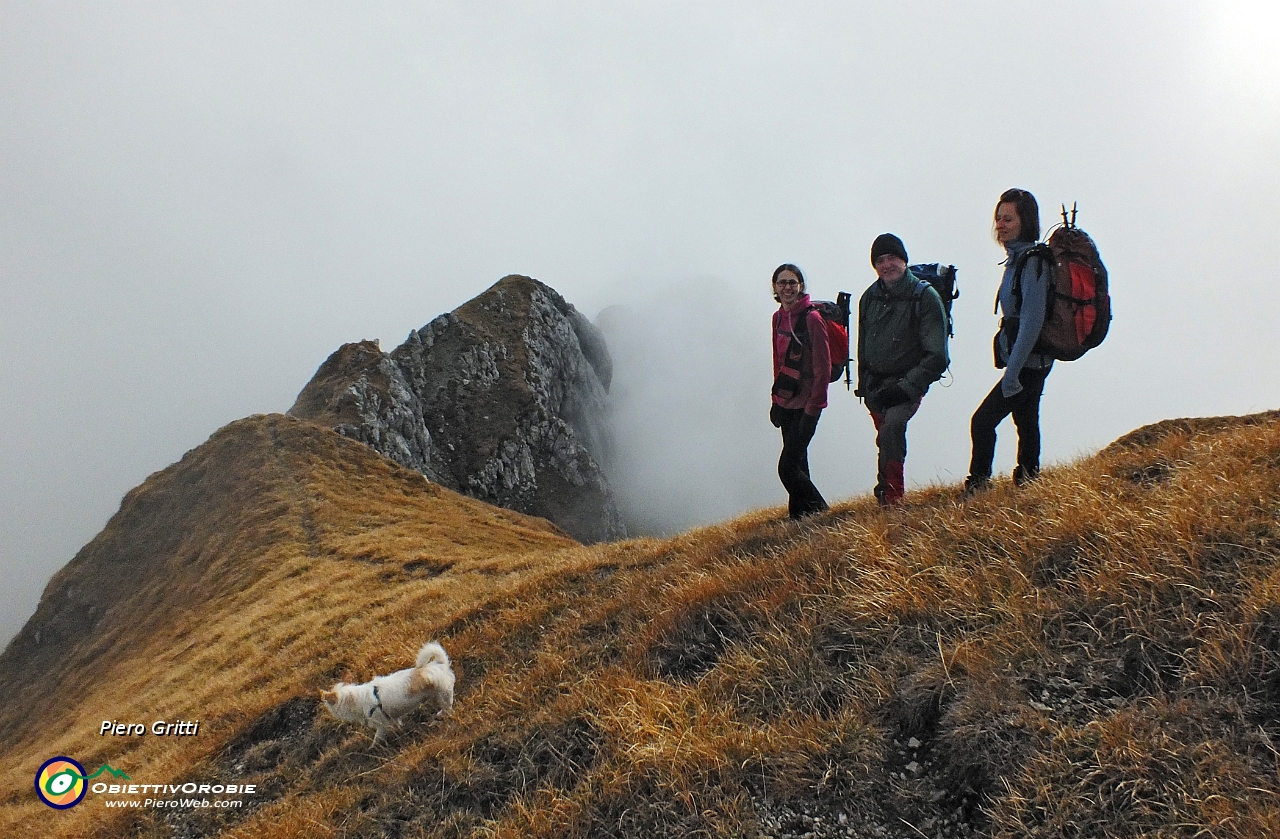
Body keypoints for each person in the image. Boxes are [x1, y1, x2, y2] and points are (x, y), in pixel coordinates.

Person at [965, 188, 1054, 493]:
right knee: (1026, 420)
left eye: (1008, 218)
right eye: (998, 218)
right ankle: (1028, 482)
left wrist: (1012, 372)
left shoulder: (1032, 262)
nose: (1000, 224)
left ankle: (977, 487)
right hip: (1032, 360)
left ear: (1024, 222)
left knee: (982, 421)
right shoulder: (1017, 260)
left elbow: (1031, 320)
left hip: (1029, 361)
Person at [856, 233, 949, 506]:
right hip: (876, 386)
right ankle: (885, 491)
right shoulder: (868, 298)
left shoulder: (925, 297)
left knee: (891, 429)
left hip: (907, 384)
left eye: (892, 258)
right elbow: (863, 347)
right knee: (885, 437)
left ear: (904, 260)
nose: (887, 265)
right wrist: (865, 388)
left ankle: (892, 497)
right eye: (880, 260)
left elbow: (938, 356)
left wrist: (906, 387)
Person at [769, 263, 831, 519]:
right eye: (782, 283)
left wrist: (814, 409)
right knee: (799, 462)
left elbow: (823, 367)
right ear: (775, 287)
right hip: (787, 402)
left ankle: (823, 513)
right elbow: (778, 362)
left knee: (787, 467)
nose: (787, 287)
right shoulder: (777, 318)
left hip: (807, 405)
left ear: (801, 286)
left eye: (792, 282)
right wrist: (776, 400)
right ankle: (799, 518)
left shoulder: (812, 319)